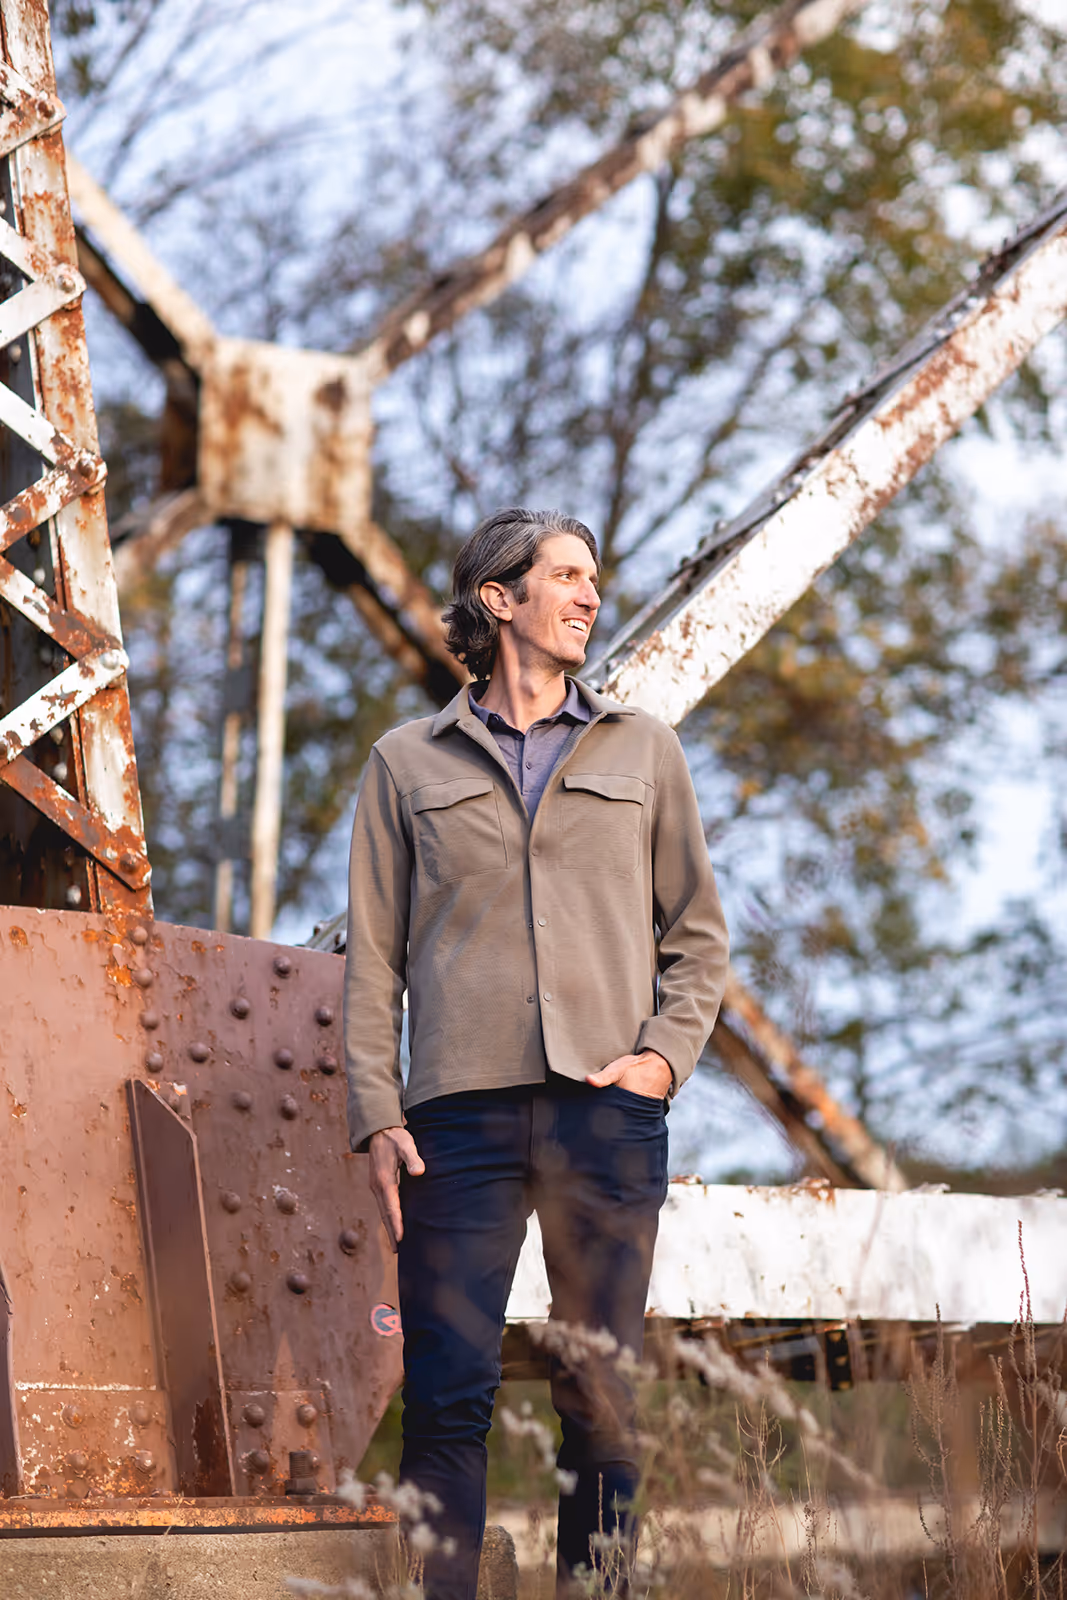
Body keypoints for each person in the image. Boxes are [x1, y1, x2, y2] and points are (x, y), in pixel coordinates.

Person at [344, 507, 729, 1598]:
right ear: (497, 600)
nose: (589, 593)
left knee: (600, 1398)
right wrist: (376, 1111)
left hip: (604, 1111)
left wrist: (658, 1062)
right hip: (453, 1123)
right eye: (565, 574)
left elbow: (697, 937)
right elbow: (371, 959)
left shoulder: (642, 749)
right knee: (447, 1396)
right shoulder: (403, 764)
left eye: (593, 577)